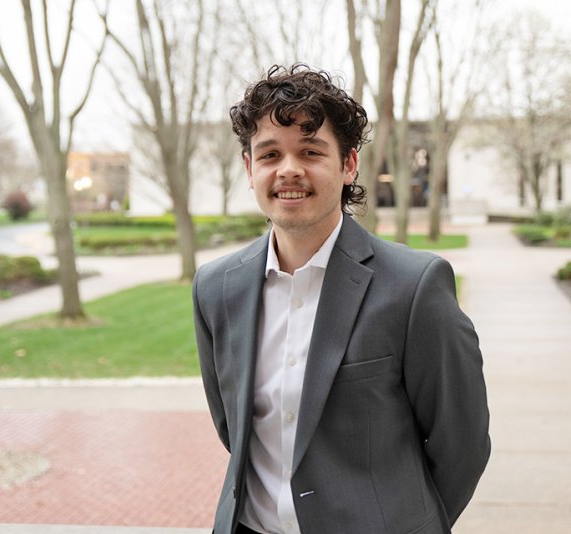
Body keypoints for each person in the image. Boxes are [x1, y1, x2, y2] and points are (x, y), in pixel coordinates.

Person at [192, 64, 490, 534]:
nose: (289, 169)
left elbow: (463, 445)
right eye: (270, 154)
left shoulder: (414, 287)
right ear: (250, 169)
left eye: (310, 151)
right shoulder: (215, 288)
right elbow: (234, 430)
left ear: (349, 164)